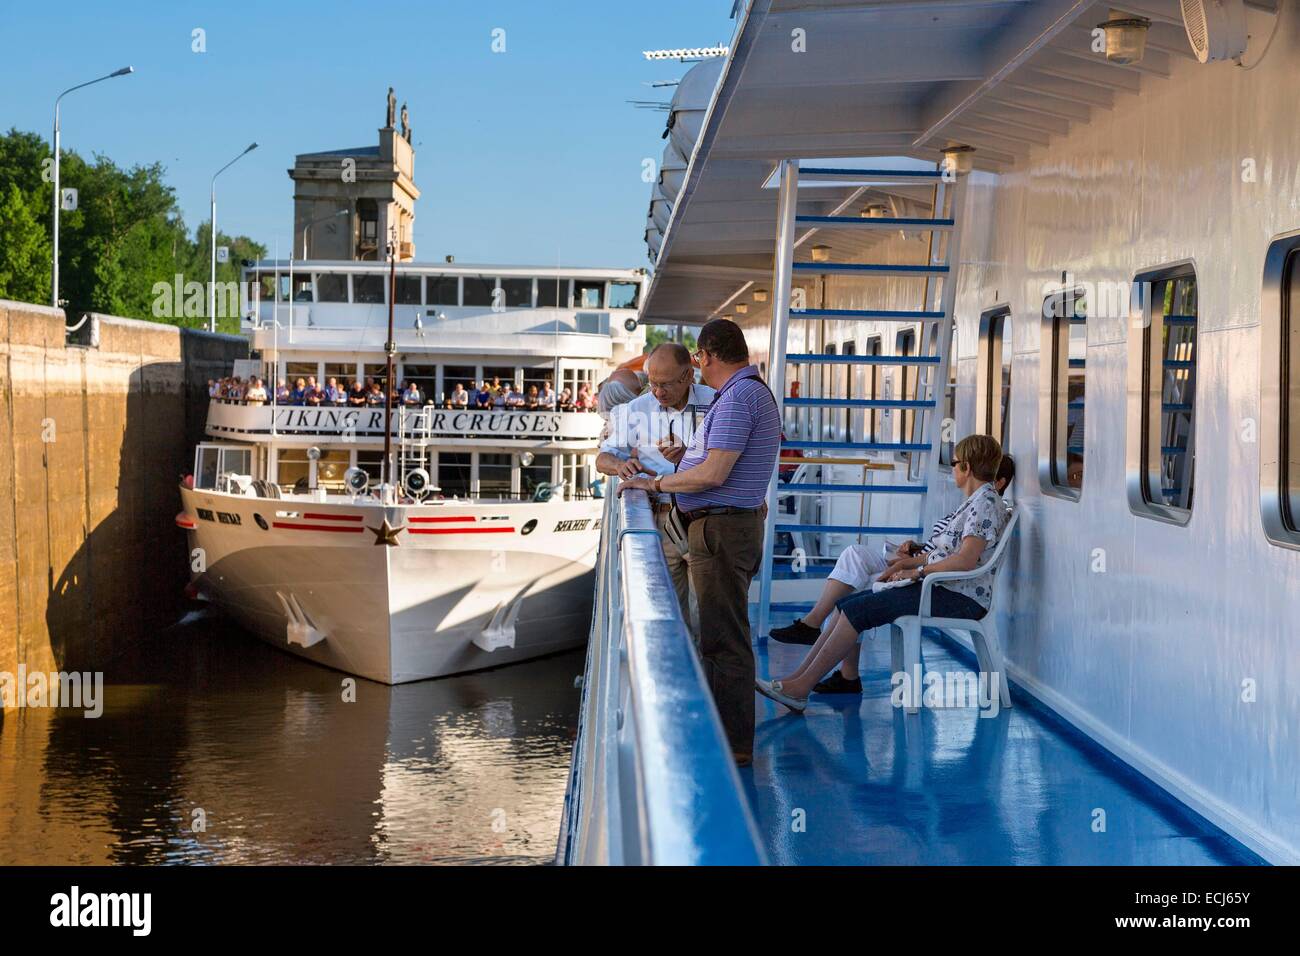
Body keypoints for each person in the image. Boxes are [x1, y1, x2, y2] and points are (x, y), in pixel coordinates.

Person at [618, 319, 780, 765]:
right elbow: (720, 464)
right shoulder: (749, 394)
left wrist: (656, 484)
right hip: (727, 526)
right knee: (719, 633)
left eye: (699, 359)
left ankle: (732, 748)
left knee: (722, 639)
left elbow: (713, 474)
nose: (700, 367)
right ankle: (728, 737)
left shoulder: (736, 399)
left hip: (722, 531)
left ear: (706, 357)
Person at [755, 435, 1009, 713]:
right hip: (940, 588)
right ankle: (797, 680)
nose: (952, 469)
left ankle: (800, 690)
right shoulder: (976, 501)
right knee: (846, 606)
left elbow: (965, 560)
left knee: (858, 612)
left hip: (957, 596)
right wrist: (904, 566)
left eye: (955, 464)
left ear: (967, 468)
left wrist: (918, 572)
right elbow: (946, 554)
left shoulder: (985, 503)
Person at [596, 343, 716, 636]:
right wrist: (619, 466)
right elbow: (603, 457)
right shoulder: (637, 408)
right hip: (661, 521)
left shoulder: (715, 402)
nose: (657, 392)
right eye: (652, 383)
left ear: (688, 376)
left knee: (708, 618)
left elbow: (724, 461)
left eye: (665, 385)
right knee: (670, 615)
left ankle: (708, 679)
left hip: (706, 520)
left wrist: (688, 455)